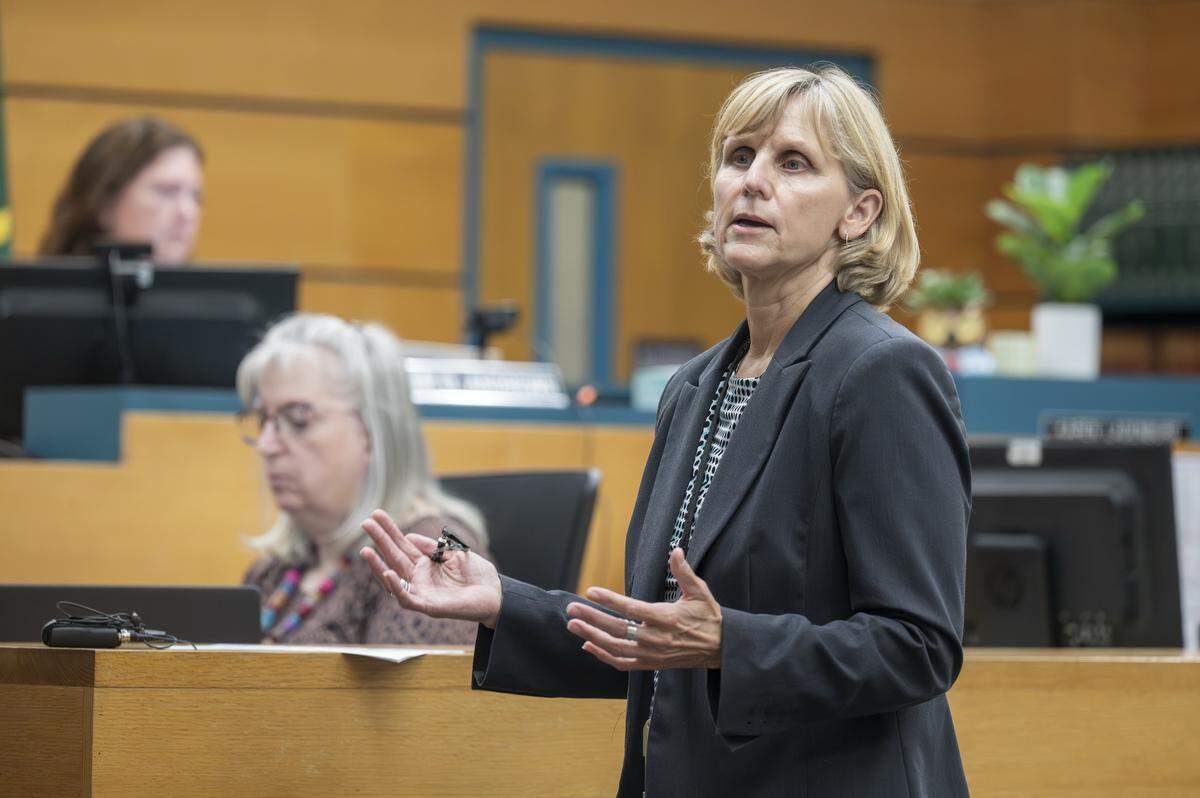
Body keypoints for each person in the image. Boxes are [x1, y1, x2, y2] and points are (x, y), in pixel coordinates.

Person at [362, 64, 970, 797]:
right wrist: (504, 601)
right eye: (738, 157)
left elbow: (919, 646)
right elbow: (660, 637)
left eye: (794, 163)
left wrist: (731, 644)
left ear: (859, 213)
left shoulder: (881, 374)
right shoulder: (695, 388)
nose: (752, 181)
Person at [237, 313, 488, 645]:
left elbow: (409, 698)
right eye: (264, 421)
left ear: (373, 432)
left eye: (297, 419)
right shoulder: (274, 573)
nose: (267, 445)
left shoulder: (435, 554)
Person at [39, 116, 204, 264]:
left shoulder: (211, 295)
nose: (187, 213)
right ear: (105, 204)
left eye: (196, 197)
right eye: (167, 192)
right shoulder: (37, 294)